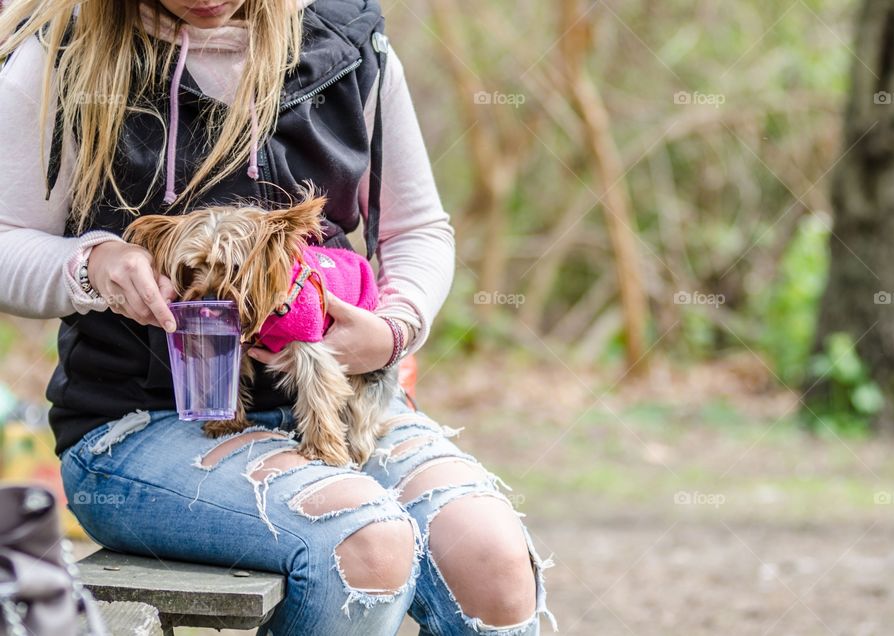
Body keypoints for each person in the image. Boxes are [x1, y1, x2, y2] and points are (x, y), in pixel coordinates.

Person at [0, 1, 555, 634]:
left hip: (339, 407)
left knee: (492, 558)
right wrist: (92, 263)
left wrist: (394, 328)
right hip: (141, 423)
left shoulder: (349, 47)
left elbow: (417, 229)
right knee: (363, 542)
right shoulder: (63, 55)